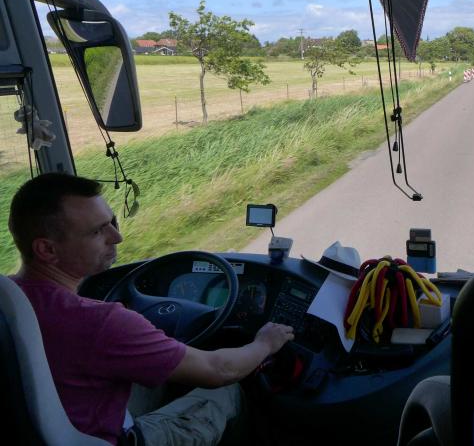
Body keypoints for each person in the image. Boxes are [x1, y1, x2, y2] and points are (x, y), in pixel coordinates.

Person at [7, 173, 294, 445]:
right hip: (110, 439)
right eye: (97, 231)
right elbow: (219, 369)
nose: (116, 237)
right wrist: (265, 343)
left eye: (112, 222)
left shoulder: (8, 299)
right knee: (227, 392)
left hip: (49, 421)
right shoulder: (102, 322)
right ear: (47, 250)